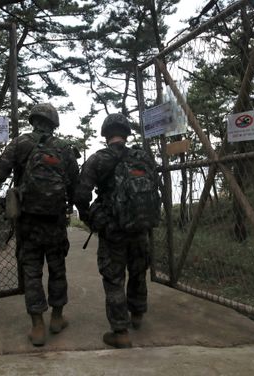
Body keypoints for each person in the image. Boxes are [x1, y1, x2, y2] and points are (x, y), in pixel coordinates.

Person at [0, 103, 79, 346]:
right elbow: (75, 184)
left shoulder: (19, 143)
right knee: (57, 267)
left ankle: (37, 326)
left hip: (28, 221)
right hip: (55, 221)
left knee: (31, 271)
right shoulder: (63, 148)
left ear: (33, 121)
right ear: (54, 124)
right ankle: (57, 318)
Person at [74, 113, 158, 349]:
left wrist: (90, 218)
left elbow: (81, 194)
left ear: (105, 134)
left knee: (114, 278)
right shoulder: (142, 157)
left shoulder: (99, 159)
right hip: (140, 227)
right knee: (139, 271)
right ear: (126, 133)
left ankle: (120, 331)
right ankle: (138, 314)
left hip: (113, 229)